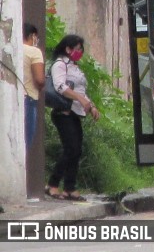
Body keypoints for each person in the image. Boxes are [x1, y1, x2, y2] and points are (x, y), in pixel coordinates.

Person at [45, 34, 99, 201]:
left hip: (75, 113)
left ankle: (69, 187)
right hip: (63, 113)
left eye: (80, 50)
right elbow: (61, 87)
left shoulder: (75, 67)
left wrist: (91, 105)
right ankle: (52, 184)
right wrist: (81, 99)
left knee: (76, 151)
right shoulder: (60, 65)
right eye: (76, 49)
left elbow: (81, 91)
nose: (79, 52)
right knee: (71, 149)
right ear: (67, 49)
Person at [22, 23, 45, 151]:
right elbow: (39, 79)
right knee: (26, 141)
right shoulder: (34, 52)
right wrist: (41, 86)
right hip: (29, 98)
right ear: (32, 35)